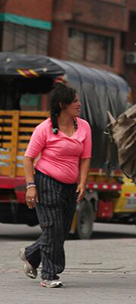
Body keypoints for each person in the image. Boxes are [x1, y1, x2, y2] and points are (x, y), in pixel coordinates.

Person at [19, 84, 91, 288]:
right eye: (75, 101)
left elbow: (85, 158)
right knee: (52, 229)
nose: (79, 104)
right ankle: (49, 275)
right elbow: (28, 158)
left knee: (62, 230)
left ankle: (30, 254)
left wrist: (83, 182)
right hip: (46, 182)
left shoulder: (84, 127)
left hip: (70, 186)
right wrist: (30, 186)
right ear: (62, 105)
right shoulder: (45, 128)